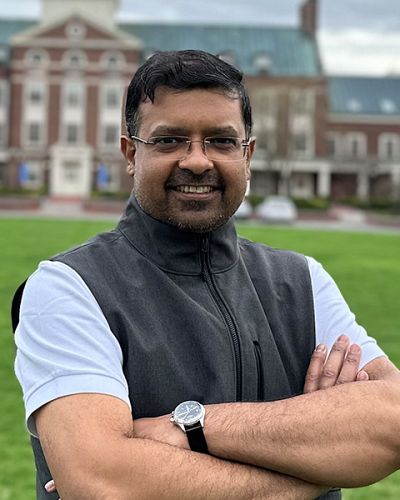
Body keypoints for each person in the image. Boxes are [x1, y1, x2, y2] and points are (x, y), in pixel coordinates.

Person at [14, 50, 400, 500]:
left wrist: (190, 428)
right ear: (131, 153)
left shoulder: (302, 283)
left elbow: (392, 420)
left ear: (247, 155)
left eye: (220, 141)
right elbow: (102, 482)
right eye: (169, 140)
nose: (197, 161)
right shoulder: (69, 287)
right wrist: (321, 463)